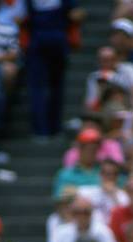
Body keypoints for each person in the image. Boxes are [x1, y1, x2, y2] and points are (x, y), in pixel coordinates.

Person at [18, 0, 85, 138]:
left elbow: (76, 14)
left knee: (53, 87)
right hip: (40, 43)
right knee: (39, 88)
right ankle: (43, 129)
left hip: (54, 43)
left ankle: (51, 128)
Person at [41, 195, 119, 242]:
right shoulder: (60, 232)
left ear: (92, 213)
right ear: (71, 213)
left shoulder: (103, 231)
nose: (81, 216)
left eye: (86, 212)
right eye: (77, 212)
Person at [53, 128, 102, 197]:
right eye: (87, 149)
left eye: (94, 149)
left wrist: (78, 191)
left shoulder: (105, 172)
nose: (91, 153)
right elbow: (60, 202)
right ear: (80, 149)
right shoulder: (66, 174)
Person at [78, 159, 129, 224]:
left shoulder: (123, 196)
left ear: (117, 176)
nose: (108, 177)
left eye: (111, 174)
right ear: (100, 174)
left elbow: (123, 218)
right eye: (104, 173)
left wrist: (113, 195)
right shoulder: (88, 191)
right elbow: (68, 191)